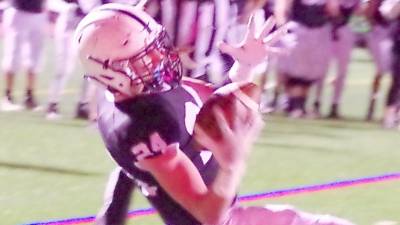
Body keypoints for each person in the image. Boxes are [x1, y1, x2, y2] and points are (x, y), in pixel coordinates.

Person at [75, 3, 356, 225]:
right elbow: (209, 216)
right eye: (144, 57)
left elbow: (217, 98)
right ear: (110, 71)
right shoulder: (140, 127)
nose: (160, 59)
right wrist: (231, 165)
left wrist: (245, 66)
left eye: (156, 48)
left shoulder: (144, 88)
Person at [0, 0, 48, 111]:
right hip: (18, 11)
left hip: (38, 12)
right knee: (13, 55)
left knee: (35, 57)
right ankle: (7, 96)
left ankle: (29, 96)